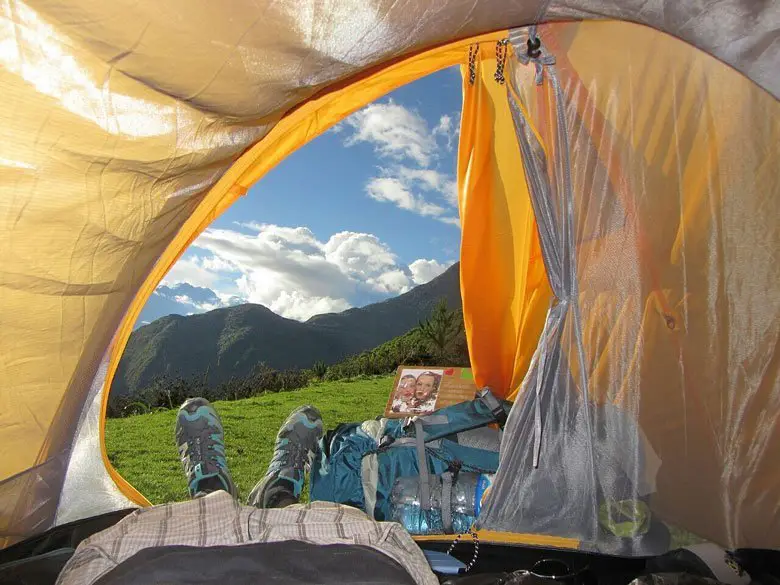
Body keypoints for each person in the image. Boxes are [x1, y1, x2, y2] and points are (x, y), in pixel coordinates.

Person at [55, 398, 438, 585]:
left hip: (162, 568)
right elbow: (401, 551)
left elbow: (86, 561)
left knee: (112, 547)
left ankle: (209, 489)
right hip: (343, 566)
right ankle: (280, 491)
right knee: (367, 535)